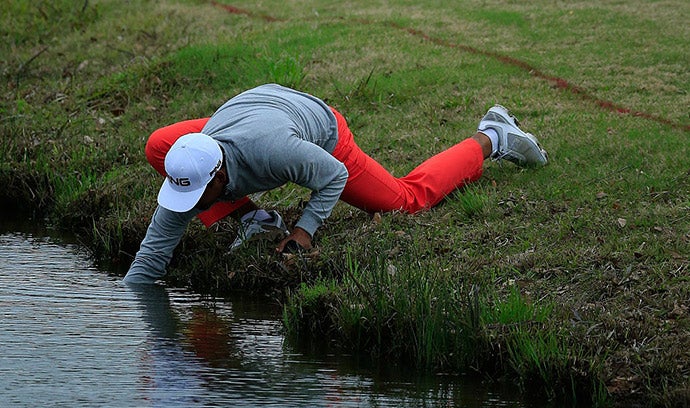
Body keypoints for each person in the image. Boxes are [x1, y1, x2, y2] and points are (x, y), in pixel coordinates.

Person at [123, 83, 547, 286]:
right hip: (252, 113)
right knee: (159, 144)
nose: (190, 205)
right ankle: (256, 219)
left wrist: (303, 231)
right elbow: (150, 258)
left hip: (320, 129)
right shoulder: (194, 163)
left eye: (198, 195)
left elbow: (333, 176)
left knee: (406, 200)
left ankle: (492, 137)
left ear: (218, 176)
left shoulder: (276, 153)